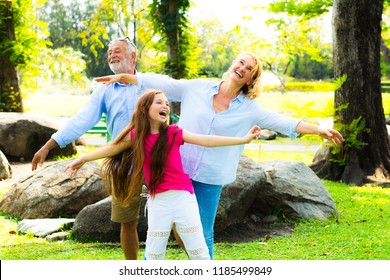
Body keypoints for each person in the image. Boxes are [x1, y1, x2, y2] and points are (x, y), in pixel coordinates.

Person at [93, 52, 345, 259]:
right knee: (162, 232)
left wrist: (318, 129)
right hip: (177, 172)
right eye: (241, 63)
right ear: (232, 63)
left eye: (249, 69)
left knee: (203, 232)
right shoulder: (197, 88)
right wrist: (124, 76)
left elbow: (284, 121)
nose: (243, 68)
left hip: (210, 177)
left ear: (250, 80)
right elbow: (164, 82)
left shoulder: (250, 109)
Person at [64, 89, 261, 260]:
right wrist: (83, 159)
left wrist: (243, 139)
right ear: (145, 108)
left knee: (197, 249)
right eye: (159, 102)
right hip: (157, 201)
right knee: (154, 253)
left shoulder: (174, 133)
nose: (165, 105)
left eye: (167, 103)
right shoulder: (136, 137)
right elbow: (112, 148)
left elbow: (207, 140)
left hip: (184, 198)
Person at [31, 36, 143, 260]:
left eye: (117, 51)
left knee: (175, 214)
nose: (111, 54)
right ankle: (134, 270)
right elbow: (83, 119)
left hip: (157, 157)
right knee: (127, 221)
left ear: (133, 56)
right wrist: (49, 145)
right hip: (122, 161)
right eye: (109, 52)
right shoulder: (105, 90)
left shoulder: (151, 82)